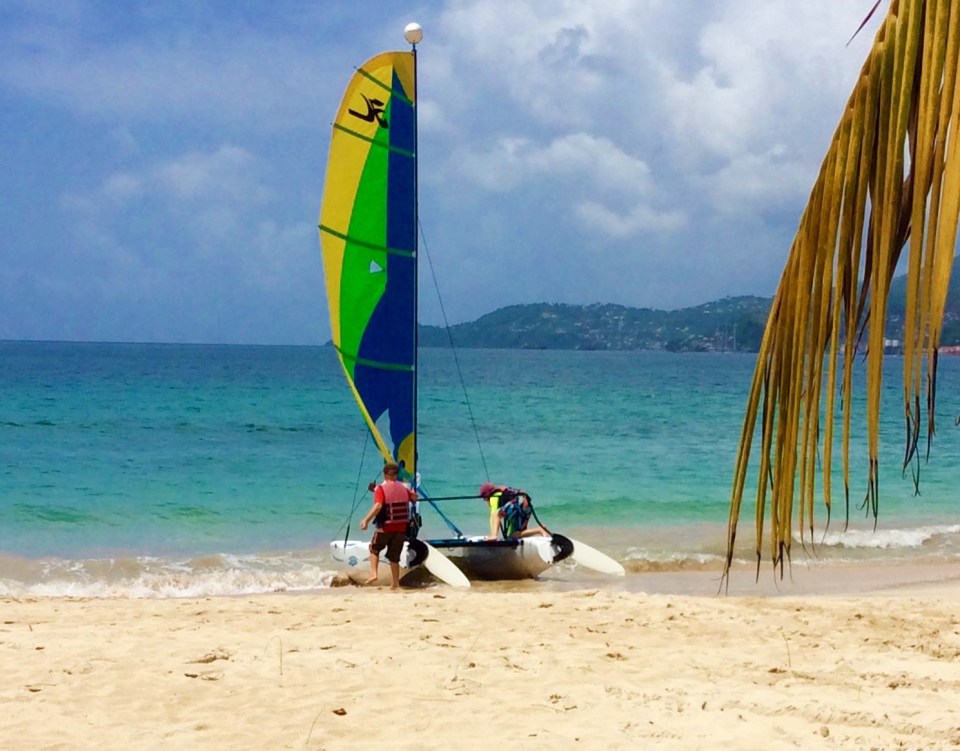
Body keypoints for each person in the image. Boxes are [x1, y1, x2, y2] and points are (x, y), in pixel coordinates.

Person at [360, 462, 417, 589]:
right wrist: (413, 494)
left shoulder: (381, 489)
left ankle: (374, 574)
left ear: (385, 475)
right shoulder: (404, 489)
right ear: (396, 475)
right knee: (394, 556)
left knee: (374, 548)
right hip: (401, 528)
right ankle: (395, 583)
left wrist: (366, 520)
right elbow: (413, 497)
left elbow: (379, 505)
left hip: (385, 527)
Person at [479, 481, 549, 541]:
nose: (485, 501)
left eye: (484, 499)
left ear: (486, 496)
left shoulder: (493, 497)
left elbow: (493, 514)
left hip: (516, 505)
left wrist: (492, 534)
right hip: (526, 506)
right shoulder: (500, 493)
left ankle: (494, 536)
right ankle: (539, 529)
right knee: (513, 535)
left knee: (496, 514)